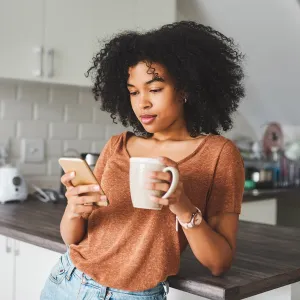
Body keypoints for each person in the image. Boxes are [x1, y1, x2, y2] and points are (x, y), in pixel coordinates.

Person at [41, 21, 245, 300]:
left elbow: (219, 263)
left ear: (185, 89)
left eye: (155, 89)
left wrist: (181, 205)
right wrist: (74, 209)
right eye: (134, 92)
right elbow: (73, 238)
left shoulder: (218, 155)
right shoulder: (117, 145)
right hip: (67, 281)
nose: (142, 103)